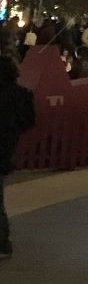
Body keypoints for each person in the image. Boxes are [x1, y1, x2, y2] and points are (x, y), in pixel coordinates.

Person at [0, 54, 37, 257]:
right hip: (7, 146)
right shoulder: (23, 94)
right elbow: (29, 121)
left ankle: (2, 241)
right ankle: (3, 241)